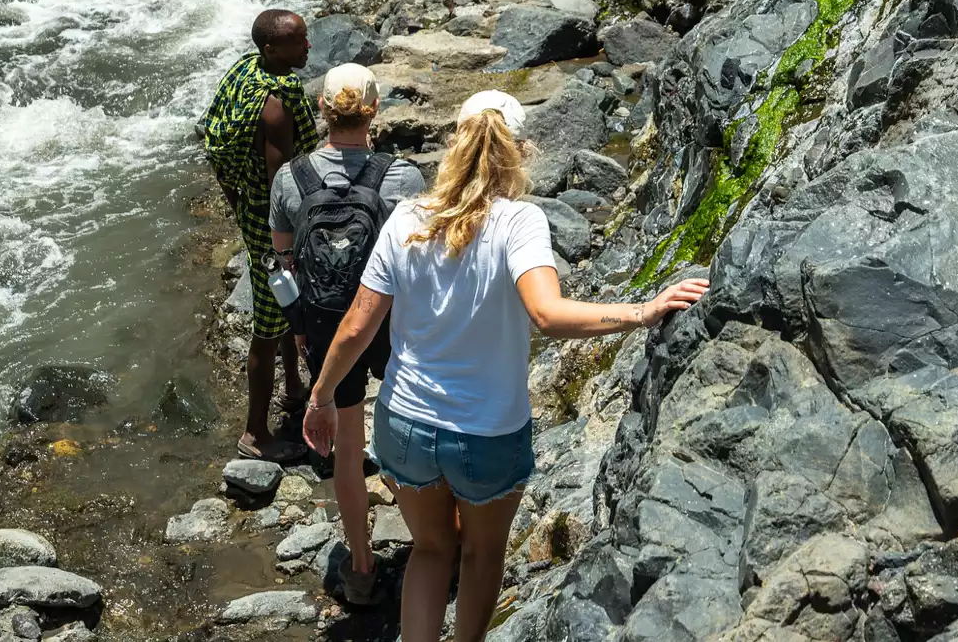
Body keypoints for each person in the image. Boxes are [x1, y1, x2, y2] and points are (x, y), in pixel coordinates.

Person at [302, 90, 710, 642]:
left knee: (429, 549)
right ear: (519, 151)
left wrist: (321, 398)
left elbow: (356, 327)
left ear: (455, 145)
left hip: (405, 425)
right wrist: (644, 310)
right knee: (482, 554)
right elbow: (547, 313)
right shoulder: (519, 222)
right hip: (486, 431)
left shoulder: (406, 218)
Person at [269, 63, 425, 606]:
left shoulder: (291, 179)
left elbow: (284, 256)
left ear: (322, 111)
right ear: (374, 110)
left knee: (348, 453)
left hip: (327, 324)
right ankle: (434, 539)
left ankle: (361, 568)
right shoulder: (402, 177)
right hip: (387, 321)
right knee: (406, 435)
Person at [198, 8, 320, 462]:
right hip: (273, 226)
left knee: (286, 308)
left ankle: (293, 388)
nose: (308, 46)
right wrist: (287, 247)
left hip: (249, 211)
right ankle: (255, 434)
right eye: (299, 40)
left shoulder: (244, 72)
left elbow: (212, 139)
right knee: (268, 326)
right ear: (273, 49)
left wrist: (236, 204)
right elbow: (280, 184)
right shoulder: (275, 107)